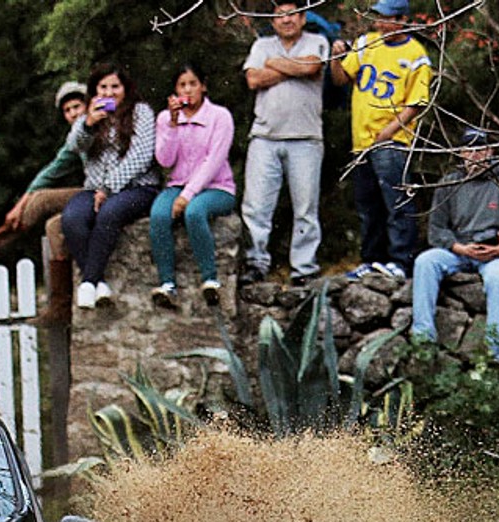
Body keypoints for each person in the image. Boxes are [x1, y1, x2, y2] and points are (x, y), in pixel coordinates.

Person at [410, 128, 499, 364]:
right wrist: (458, 248)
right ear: (460, 153)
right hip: (459, 251)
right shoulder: (449, 183)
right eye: (469, 150)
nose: (475, 156)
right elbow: (436, 229)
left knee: (498, 279)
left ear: (490, 151)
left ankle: (495, 355)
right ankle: (423, 342)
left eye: (480, 149)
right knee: (425, 262)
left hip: (496, 255)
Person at [330, 0, 433, 280]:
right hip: (361, 141)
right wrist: (335, 57)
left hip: (392, 140)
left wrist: (388, 132)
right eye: (378, 17)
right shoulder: (366, 43)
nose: (381, 24)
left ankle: (400, 261)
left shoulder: (416, 55)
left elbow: (417, 102)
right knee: (368, 205)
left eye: (387, 18)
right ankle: (371, 259)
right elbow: (341, 79)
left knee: (397, 201)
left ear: (402, 19)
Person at [0, 82, 88, 279]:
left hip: (109, 192)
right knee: (53, 226)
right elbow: (51, 172)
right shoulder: (75, 139)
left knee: (41, 200)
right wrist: (21, 204)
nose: (73, 114)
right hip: (91, 191)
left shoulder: (102, 125)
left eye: (77, 107)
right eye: (67, 110)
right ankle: (60, 306)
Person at [239, 3, 330, 285]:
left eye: (292, 14)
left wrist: (275, 65)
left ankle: (303, 268)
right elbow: (253, 79)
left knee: (305, 208)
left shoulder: (317, 41)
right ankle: (255, 262)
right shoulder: (262, 45)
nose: (286, 20)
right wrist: (296, 68)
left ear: (303, 18)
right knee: (256, 206)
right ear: (273, 21)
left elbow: (313, 66)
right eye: (280, 15)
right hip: (265, 137)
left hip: (306, 137)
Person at [60, 64, 159, 310]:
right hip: (94, 188)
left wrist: (109, 187)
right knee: (72, 218)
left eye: (115, 86)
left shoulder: (141, 112)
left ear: (125, 88)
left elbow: (141, 156)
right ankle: (99, 283)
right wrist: (89, 124)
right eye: (103, 87)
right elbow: (74, 146)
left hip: (139, 188)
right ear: (94, 90)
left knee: (109, 213)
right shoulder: (90, 114)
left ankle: (88, 282)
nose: (109, 92)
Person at [149, 64, 238, 308]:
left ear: (203, 86)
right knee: (158, 214)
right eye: (182, 85)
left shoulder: (220, 117)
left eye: (192, 84)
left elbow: (214, 161)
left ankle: (210, 279)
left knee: (195, 212)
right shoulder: (166, 118)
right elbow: (165, 160)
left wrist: (188, 195)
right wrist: (172, 126)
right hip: (178, 184)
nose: (188, 90)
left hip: (217, 187)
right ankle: (167, 284)